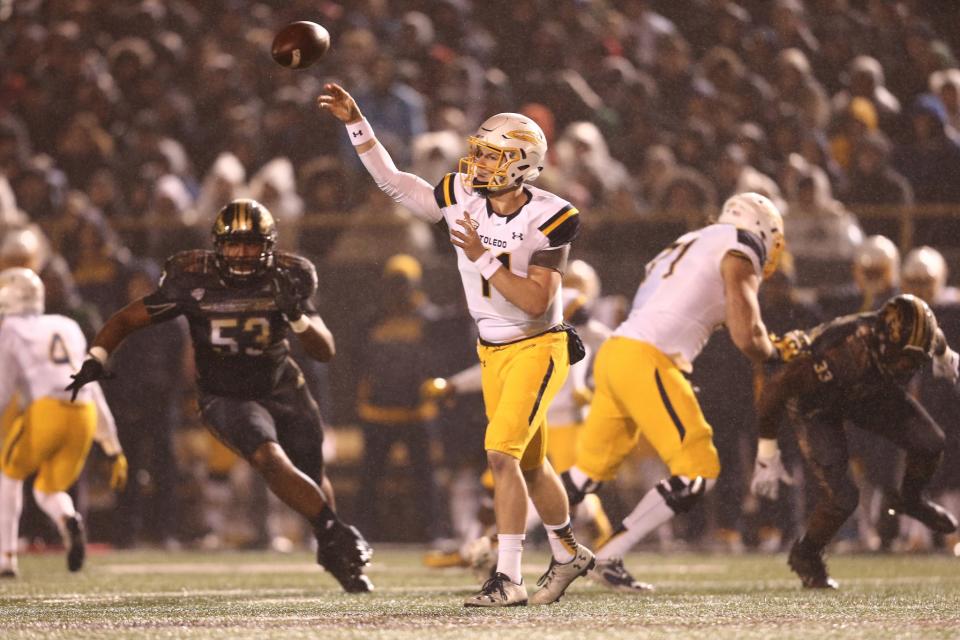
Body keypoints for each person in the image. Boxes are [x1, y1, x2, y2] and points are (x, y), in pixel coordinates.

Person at [319, 84, 593, 607]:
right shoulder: (461, 194)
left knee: (500, 455)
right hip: (492, 350)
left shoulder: (552, 215)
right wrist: (357, 124)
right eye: (482, 150)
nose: (481, 161)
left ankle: (508, 577)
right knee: (531, 463)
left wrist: (485, 258)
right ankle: (568, 552)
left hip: (538, 346)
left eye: (494, 154)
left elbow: (537, 301)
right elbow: (396, 184)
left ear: (523, 162)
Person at [64, 198, 373, 592]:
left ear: (269, 245)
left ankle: (332, 547)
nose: (242, 252)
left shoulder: (289, 277)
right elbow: (127, 318)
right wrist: (97, 356)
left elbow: (324, 350)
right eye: (233, 243)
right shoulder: (193, 278)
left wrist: (294, 314)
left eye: (251, 243)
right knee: (268, 456)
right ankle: (335, 532)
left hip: (282, 388)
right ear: (217, 246)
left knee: (313, 475)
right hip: (226, 395)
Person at [561, 192, 795, 592]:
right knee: (698, 469)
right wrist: (777, 354)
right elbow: (748, 334)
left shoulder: (689, 242)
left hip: (619, 352)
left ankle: (499, 543)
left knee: (584, 474)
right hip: (647, 358)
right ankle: (611, 555)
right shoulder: (742, 245)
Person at [751, 294, 960, 588]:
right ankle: (806, 554)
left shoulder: (912, 336)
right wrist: (766, 451)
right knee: (843, 498)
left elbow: (933, 337)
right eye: (904, 359)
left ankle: (911, 501)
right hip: (818, 405)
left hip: (869, 393)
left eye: (915, 360)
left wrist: (945, 356)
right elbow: (775, 389)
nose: (907, 367)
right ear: (883, 340)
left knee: (931, 442)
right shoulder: (839, 352)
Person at [0, 267, 126, 577]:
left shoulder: (11, 328)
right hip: (83, 414)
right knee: (47, 489)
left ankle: (5, 559)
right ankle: (69, 519)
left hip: (46, 411)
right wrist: (112, 446)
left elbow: (4, 386)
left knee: (9, 476)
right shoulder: (67, 325)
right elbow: (90, 384)